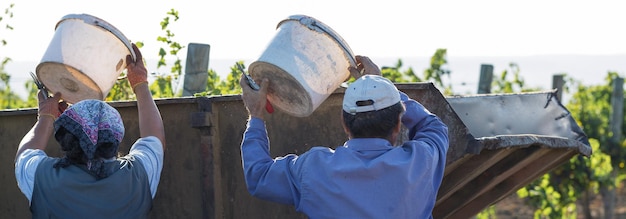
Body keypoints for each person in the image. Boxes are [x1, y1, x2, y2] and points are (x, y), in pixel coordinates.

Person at [239, 55, 449, 218]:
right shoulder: (421, 161)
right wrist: (381, 86)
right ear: (397, 124)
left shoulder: (313, 168)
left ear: (344, 123)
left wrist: (256, 115)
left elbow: (258, 176)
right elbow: (432, 125)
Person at [14, 43, 166, 218]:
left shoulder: (43, 176)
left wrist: (46, 116)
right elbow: (155, 137)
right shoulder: (138, 175)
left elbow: (24, 153)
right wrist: (140, 83)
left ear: (65, 138)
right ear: (116, 136)